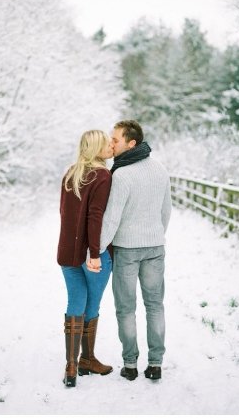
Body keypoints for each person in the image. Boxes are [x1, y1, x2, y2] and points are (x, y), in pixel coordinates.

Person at [100, 120, 172, 382]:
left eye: (115, 140)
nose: (111, 144)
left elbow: (112, 219)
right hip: (155, 246)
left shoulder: (122, 174)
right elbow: (166, 212)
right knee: (155, 306)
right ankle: (155, 364)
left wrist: (96, 249)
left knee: (126, 308)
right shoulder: (160, 170)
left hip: (127, 249)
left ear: (132, 143)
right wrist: (155, 234)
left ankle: (130, 365)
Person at [56, 129, 115, 387]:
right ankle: (87, 359)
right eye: (106, 144)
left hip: (68, 252)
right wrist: (94, 254)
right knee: (91, 305)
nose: (111, 147)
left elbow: (64, 213)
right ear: (96, 149)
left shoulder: (71, 173)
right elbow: (95, 216)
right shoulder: (102, 175)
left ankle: (71, 365)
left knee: (76, 301)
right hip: (93, 254)